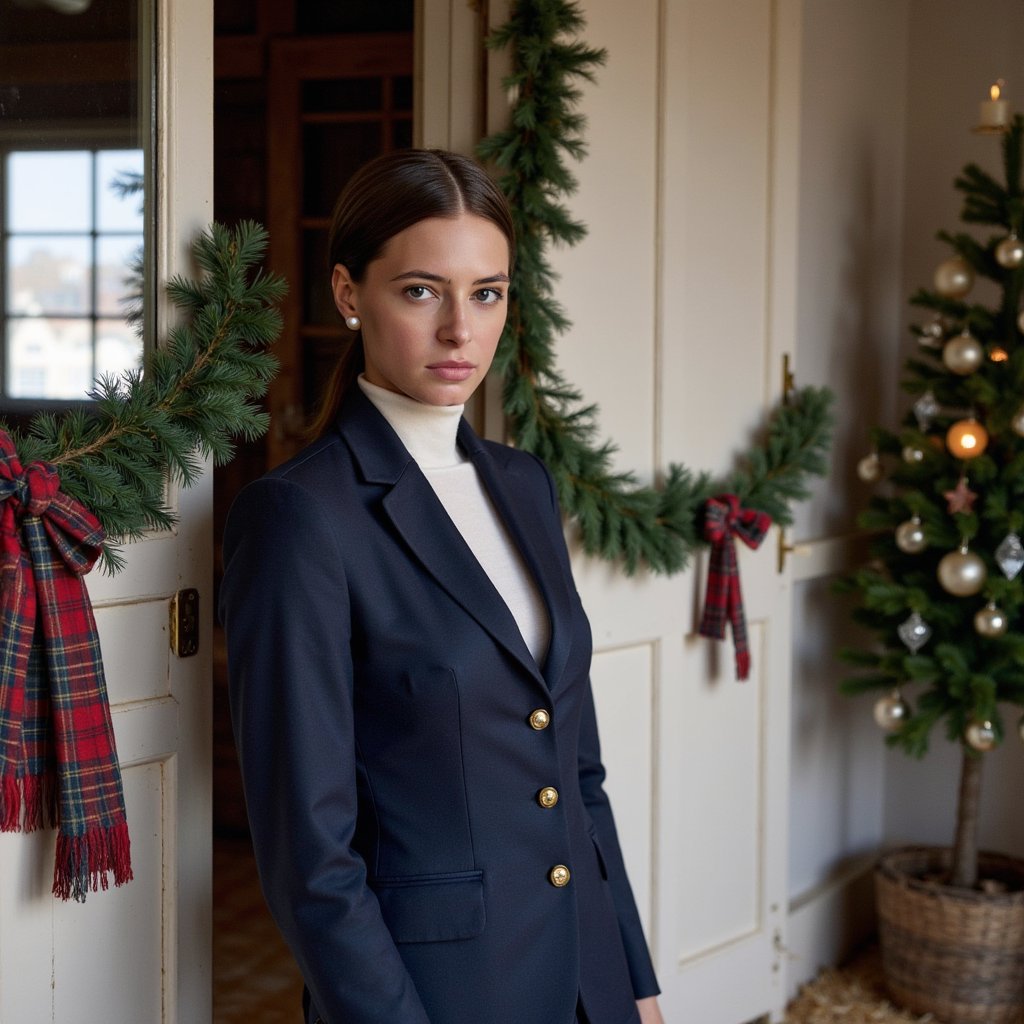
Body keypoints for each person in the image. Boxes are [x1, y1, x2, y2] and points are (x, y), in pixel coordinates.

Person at [219, 148, 665, 1024]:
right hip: (441, 996)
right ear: (349, 294)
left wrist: (635, 980)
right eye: (422, 291)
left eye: (487, 292)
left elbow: (577, 776)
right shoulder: (300, 519)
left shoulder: (524, 484)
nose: (462, 329)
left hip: (588, 979)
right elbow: (310, 855)